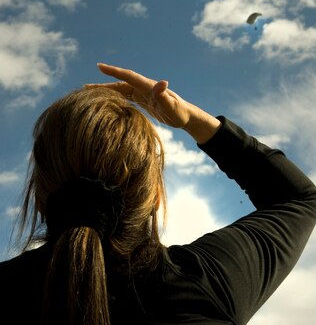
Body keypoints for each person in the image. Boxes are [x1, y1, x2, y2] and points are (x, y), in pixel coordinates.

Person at [0, 62, 315, 325]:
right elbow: (300, 198)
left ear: (39, 192)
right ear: (153, 195)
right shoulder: (202, 284)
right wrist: (191, 120)